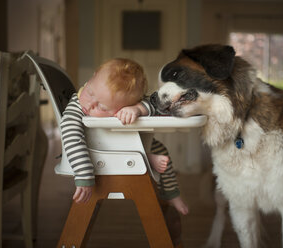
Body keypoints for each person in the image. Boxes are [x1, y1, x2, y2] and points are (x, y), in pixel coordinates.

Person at [60, 58, 188, 215]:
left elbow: (159, 106)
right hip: (97, 150)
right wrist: (84, 174)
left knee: (161, 149)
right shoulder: (76, 106)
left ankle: (171, 193)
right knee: (156, 153)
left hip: (125, 142)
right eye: (90, 92)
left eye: (102, 106)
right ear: (91, 78)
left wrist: (138, 109)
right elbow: (72, 137)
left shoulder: (132, 104)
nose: (90, 104)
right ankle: (145, 157)